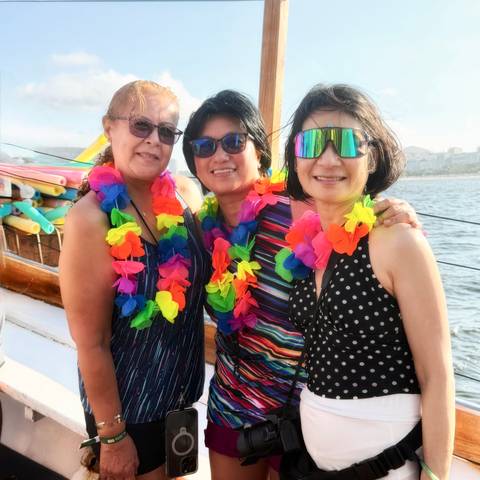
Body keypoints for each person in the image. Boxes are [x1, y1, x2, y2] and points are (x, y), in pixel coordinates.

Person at [182, 89, 422, 480]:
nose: (219, 155)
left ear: (259, 151)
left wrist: (390, 211)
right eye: (205, 146)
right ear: (194, 160)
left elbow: (351, 215)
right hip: (233, 400)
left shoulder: (298, 207)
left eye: (233, 142)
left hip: (302, 412)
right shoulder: (198, 230)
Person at [282, 84, 454, 479]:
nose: (327, 158)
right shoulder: (313, 248)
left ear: (372, 156)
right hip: (317, 464)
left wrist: (437, 474)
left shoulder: (396, 239)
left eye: (344, 141)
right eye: (310, 143)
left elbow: (438, 374)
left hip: (388, 462)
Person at [60, 80, 209, 480]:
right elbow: (91, 342)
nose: (153, 141)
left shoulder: (183, 199)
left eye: (166, 132)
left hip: (179, 403)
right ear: (110, 127)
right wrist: (112, 436)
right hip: (130, 414)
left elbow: (240, 217)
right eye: (141, 125)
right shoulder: (92, 219)